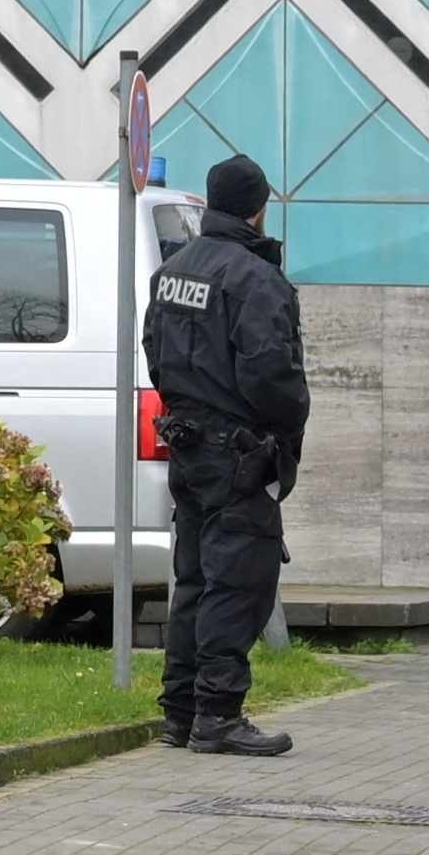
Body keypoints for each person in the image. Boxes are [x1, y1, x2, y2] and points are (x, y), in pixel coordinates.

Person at [141, 152, 311, 757]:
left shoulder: (172, 271)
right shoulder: (255, 278)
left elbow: (153, 348)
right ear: (260, 208)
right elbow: (272, 374)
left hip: (186, 442)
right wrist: (289, 427)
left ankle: (181, 712)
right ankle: (218, 713)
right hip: (240, 450)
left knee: (193, 578)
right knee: (237, 582)